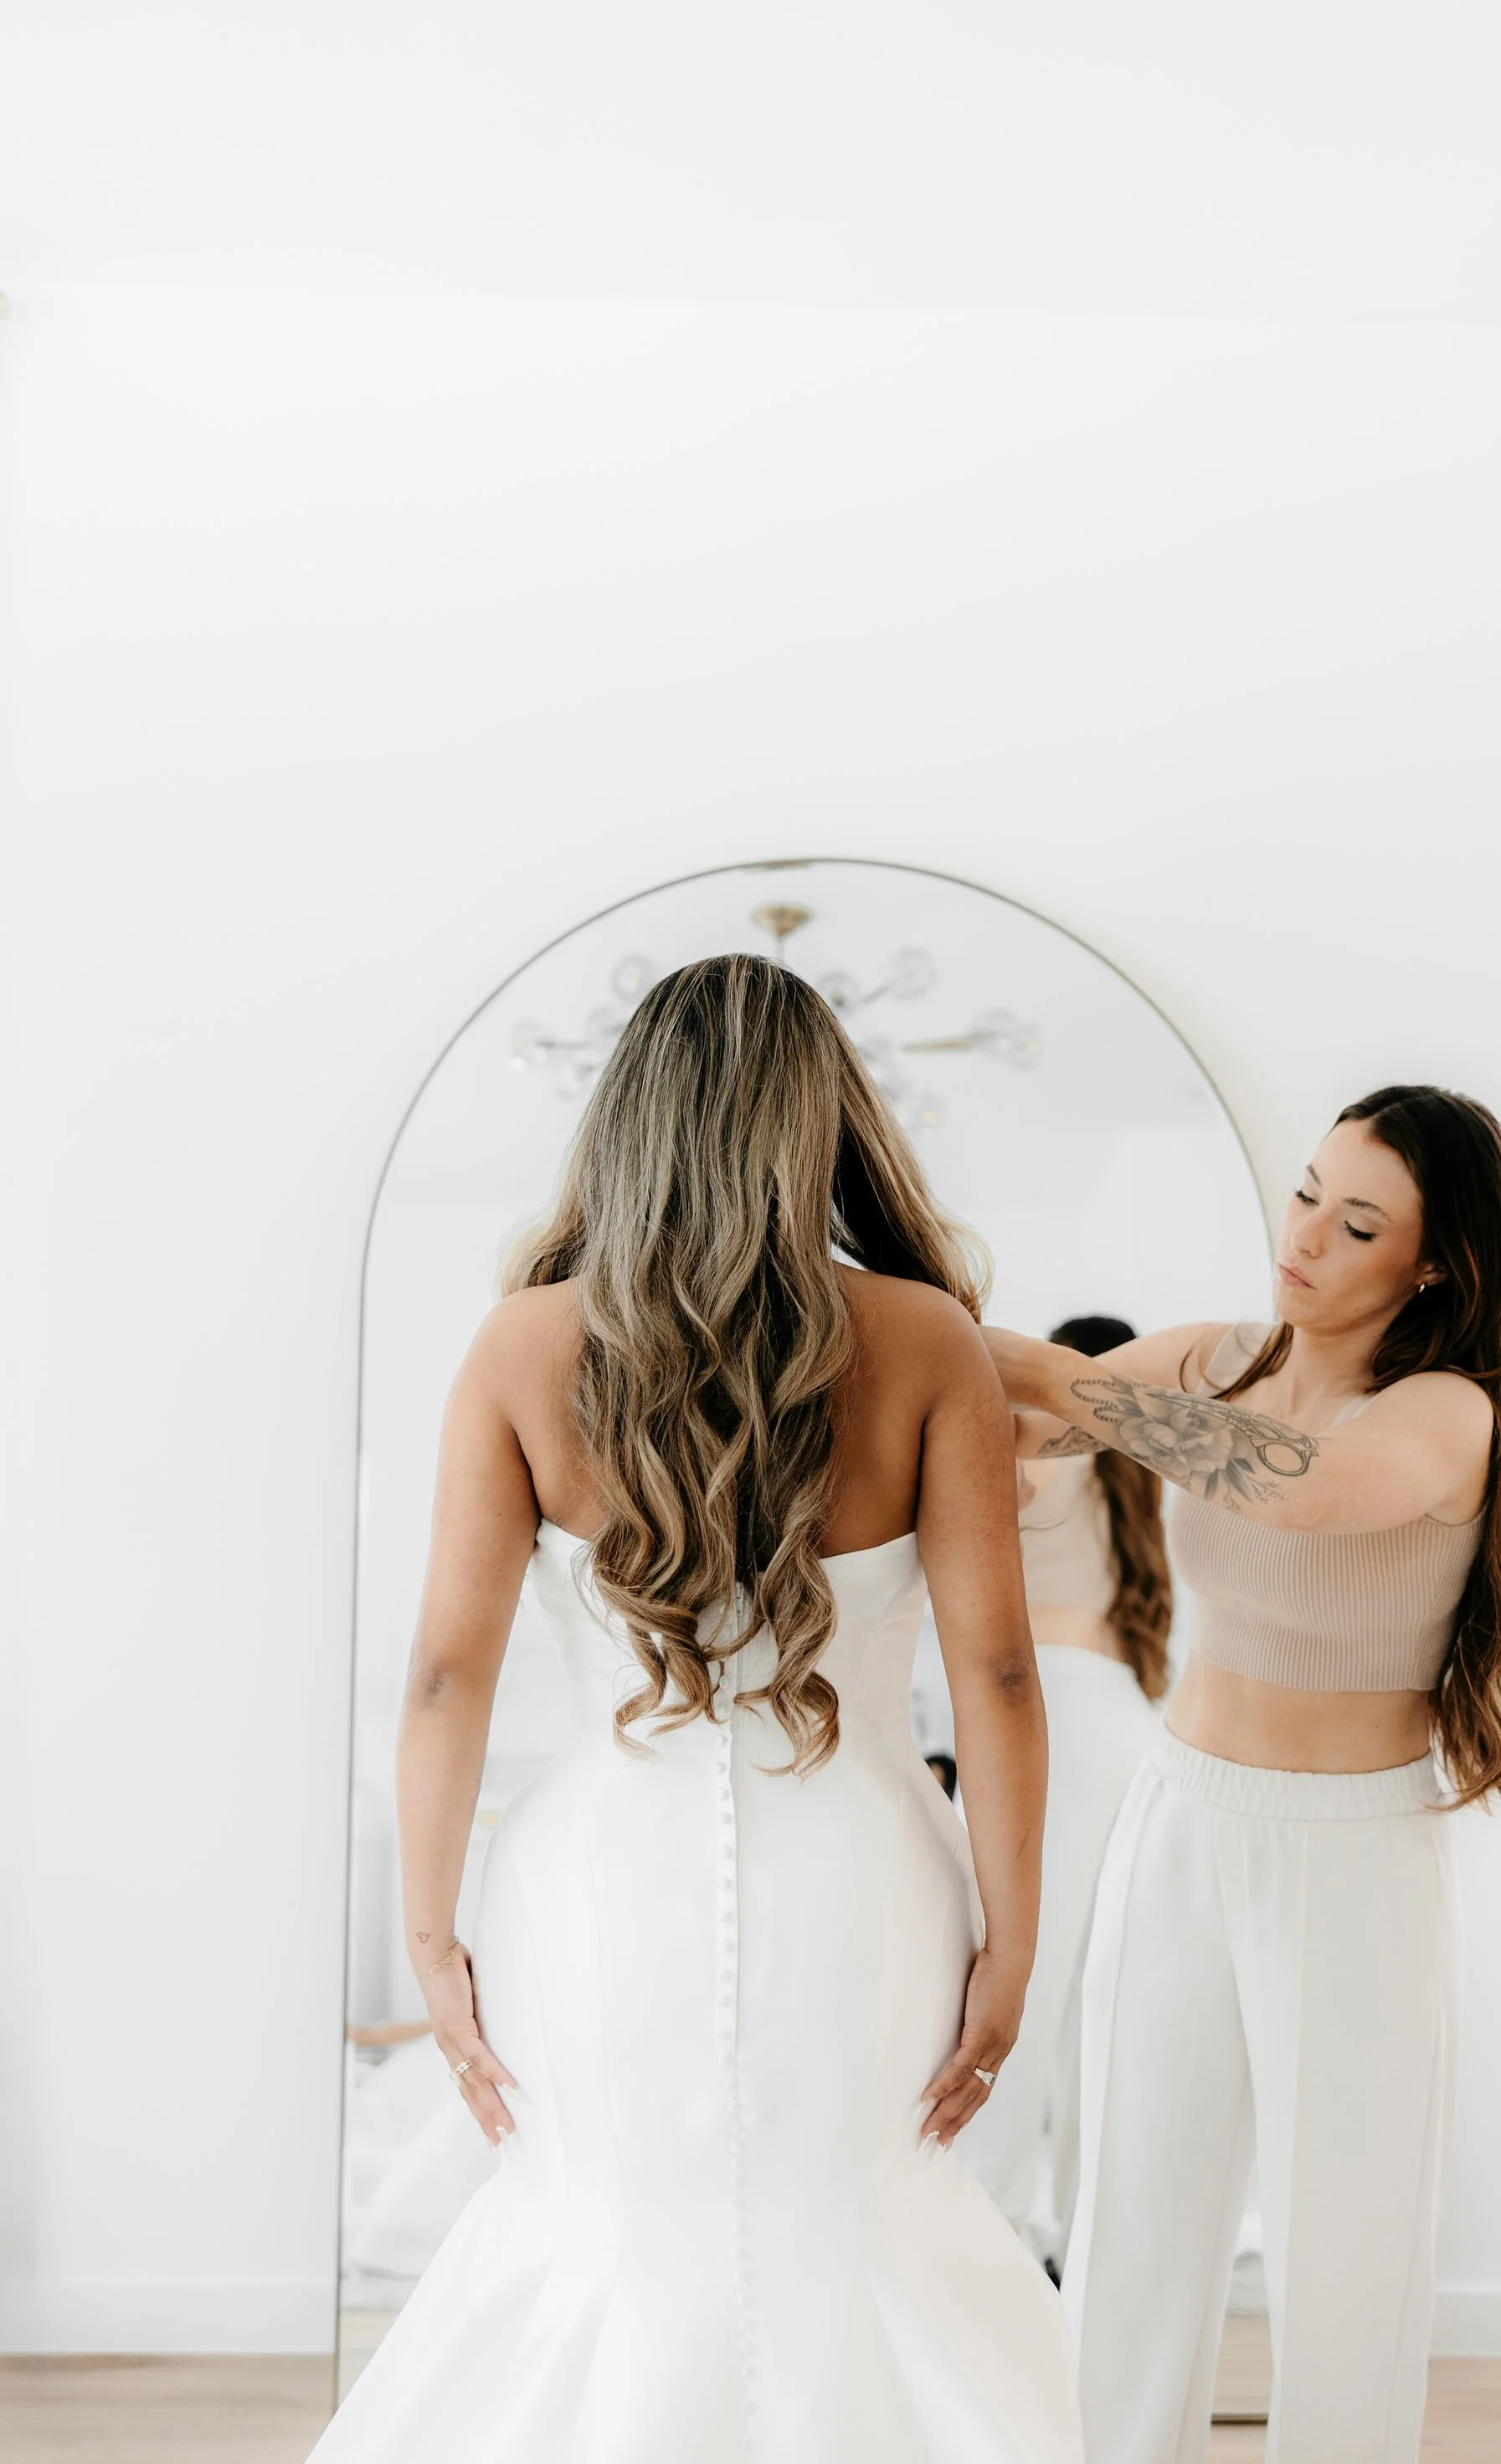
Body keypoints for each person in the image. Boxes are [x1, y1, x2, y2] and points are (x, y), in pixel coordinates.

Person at [310, 953, 1081, 2464]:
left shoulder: (521, 1347)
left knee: (608, 2232)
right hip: (868, 1882)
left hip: (593, 1884)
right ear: (826, 1123)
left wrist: (430, 1930)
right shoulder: (925, 1342)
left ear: (627, 1122)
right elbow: (994, 1675)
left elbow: (443, 1673)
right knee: (855, 2230)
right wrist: (1012, 1939)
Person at [984, 1086, 1501, 2464]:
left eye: (1353, 1220)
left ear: (1430, 1262)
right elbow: (1027, 1440)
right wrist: (928, 1349)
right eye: (1304, 1191)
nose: (1300, 1233)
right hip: (1182, 1814)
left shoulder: (1447, 1411)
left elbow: (1291, 1483)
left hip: (1350, 1852)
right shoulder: (1219, 1357)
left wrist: (1062, 1375)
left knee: (1344, 2249)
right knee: (1130, 2220)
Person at [958, 1314, 1168, 2272]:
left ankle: (990, 2216)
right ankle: (1089, 2234)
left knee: (1013, 1976)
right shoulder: (1136, 1479)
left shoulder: (1033, 1453)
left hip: (1049, 1720)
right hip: (1126, 1720)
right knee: (1100, 1991)